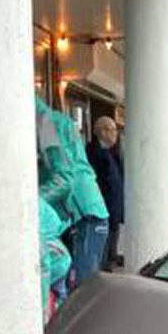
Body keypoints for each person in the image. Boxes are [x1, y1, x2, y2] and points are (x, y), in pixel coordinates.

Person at [35, 99, 108, 289]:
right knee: (74, 285)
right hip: (81, 212)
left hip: (83, 214)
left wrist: (32, 202)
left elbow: (63, 177)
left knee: (81, 289)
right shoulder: (52, 121)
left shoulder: (45, 123)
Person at [85, 116, 125, 263]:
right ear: (102, 132)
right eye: (113, 130)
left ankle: (111, 255)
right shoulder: (93, 152)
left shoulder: (112, 151)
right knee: (104, 233)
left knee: (114, 229)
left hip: (113, 202)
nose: (115, 134)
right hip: (102, 203)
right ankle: (104, 261)